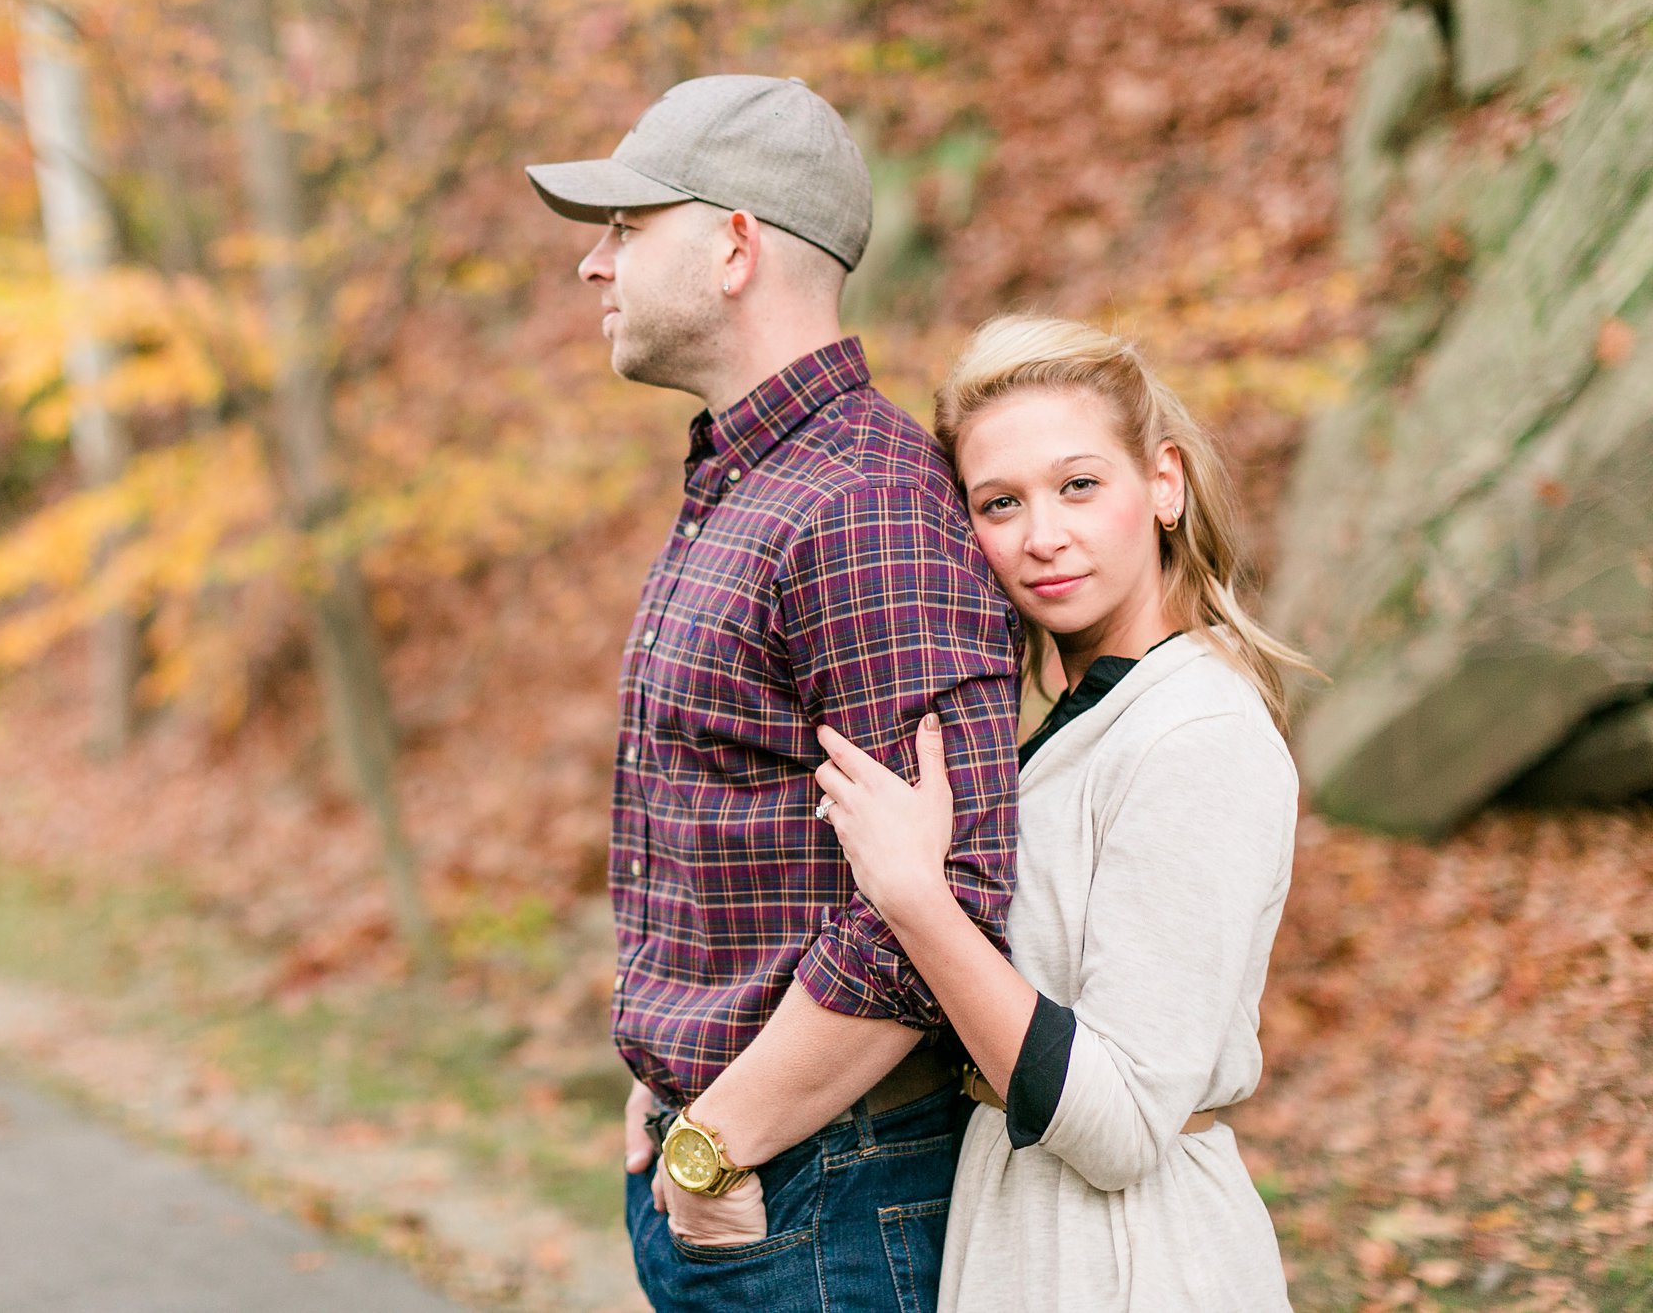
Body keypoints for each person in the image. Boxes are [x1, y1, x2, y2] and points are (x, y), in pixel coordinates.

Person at [525, 75, 1020, 1312]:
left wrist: (718, 1137)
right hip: (750, 1176)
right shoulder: (757, 484)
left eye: (626, 228)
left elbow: (938, 906)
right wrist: (671, 1076)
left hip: (823, 1198)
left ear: (734, 245)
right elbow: (733, 831)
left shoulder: (861, 504)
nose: (594, 266)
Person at [814, 315, 1306, 1311]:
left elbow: (1121, 1124)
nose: (1042, 536)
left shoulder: (1190, 732)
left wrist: (914, 898)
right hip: (1026, 1231)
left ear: (1160, 483)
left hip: (1127, 1261)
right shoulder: (1086, 720)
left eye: (1078, 485)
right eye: (999, 503)